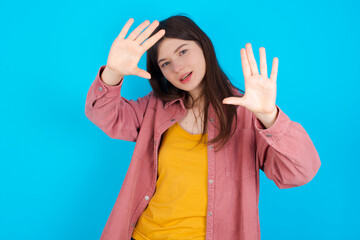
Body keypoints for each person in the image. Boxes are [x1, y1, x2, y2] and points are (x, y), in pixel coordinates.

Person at [85, 15, 321, 240]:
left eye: (183, 51)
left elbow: (300, 172)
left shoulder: (246, 115)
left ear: (204, 46)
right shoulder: (154, 108)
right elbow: (105, 115)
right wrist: (113, 73)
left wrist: (269, 116)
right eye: (166, 63)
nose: (177, 68)